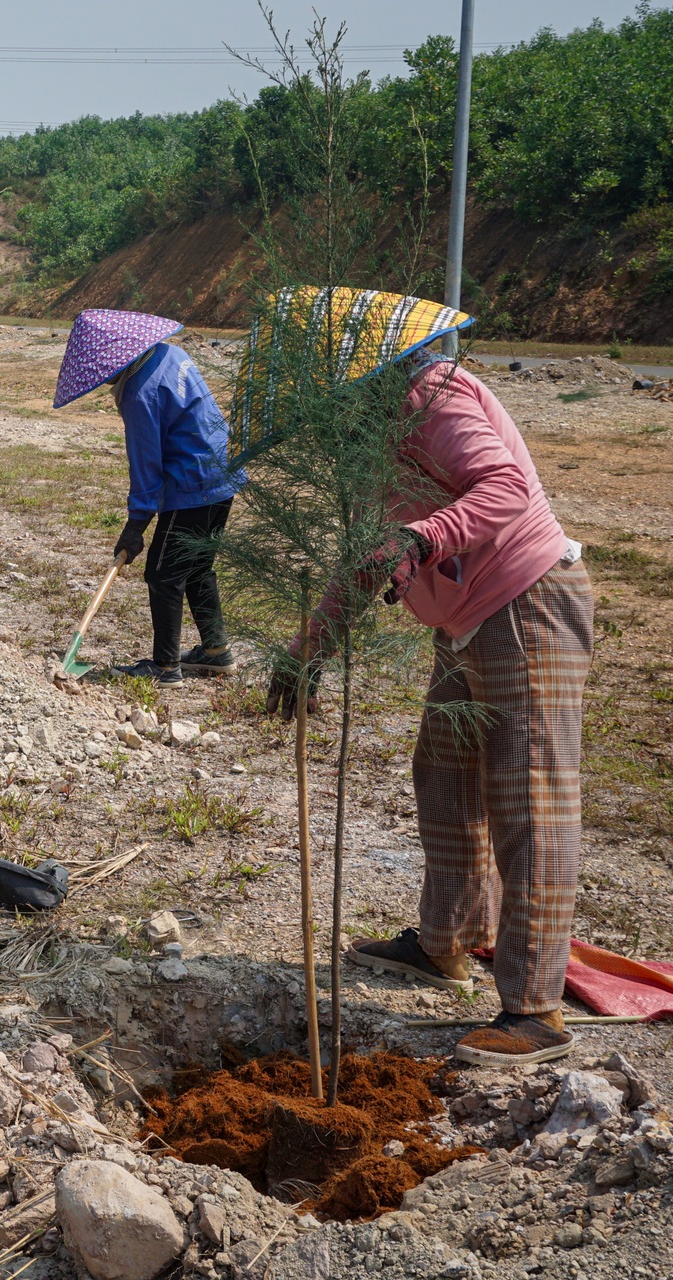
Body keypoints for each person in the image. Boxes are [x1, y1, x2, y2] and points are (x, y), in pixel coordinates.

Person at [267, 336, 593, 1068]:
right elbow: (371, 553)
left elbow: (504, 485)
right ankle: (444, 945)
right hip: (462, 622)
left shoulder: (432, 394)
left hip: (526, 604)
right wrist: (310, 647)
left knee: (527, 796)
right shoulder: (371, 437)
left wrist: (425, 535)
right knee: (444, 776)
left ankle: (535, 1009)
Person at [53, 310, 241, 685]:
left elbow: (146, 469)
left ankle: (166, 667)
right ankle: (216, 651)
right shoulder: (171, 355)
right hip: (223, 474)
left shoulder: (140, 394)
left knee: (163, 573)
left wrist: (135, 527)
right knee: (197, 566)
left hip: (192, 485)